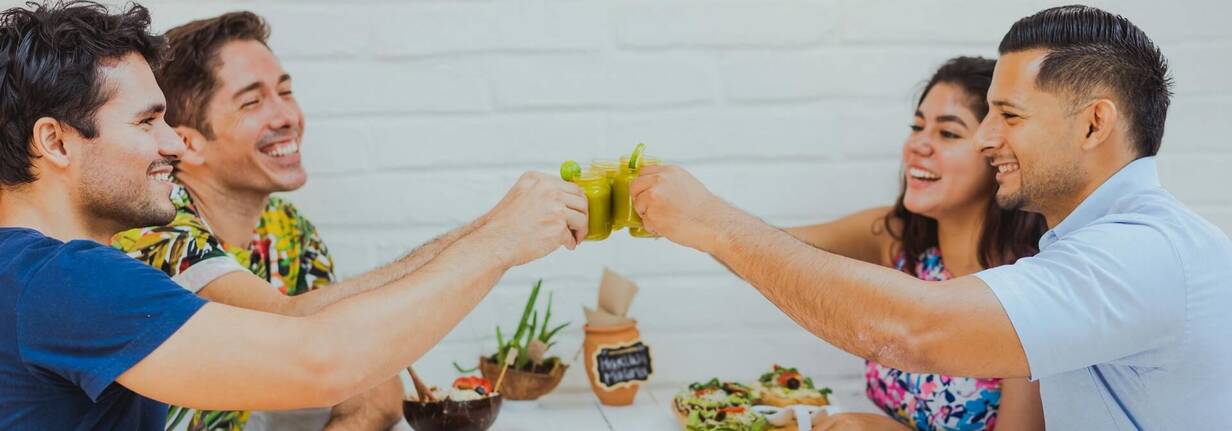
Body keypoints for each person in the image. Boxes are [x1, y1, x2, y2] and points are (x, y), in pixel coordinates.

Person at [632, 5, 1232, 429]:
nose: (987, 138)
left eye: (1009, 116)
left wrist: (710, 219)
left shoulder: (1138, 255)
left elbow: (913, 330)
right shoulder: (1092, 246)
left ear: (1094, 124)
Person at [0, 2, 588, 429]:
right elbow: (321, 359)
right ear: (54, 142)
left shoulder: (42, 272)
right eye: (147, 122)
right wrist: (498, 242)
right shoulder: (66, 280)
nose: (173, 145)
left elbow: (354, 373)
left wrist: (493, 233)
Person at [110, 12, 408, 430]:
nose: (286, 116)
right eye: (252, 101)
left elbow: (375, 387)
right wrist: (480, 246)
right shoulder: (154, 226)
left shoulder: (288, 229)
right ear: (187, 145)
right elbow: (305, 326)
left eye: (285, 92)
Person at [783, 57, 1045, 430]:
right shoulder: (899, 240)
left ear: (999, 155)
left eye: (948, 133)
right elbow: (772, 252)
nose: (917, 145)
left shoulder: (1028, 297)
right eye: (917, 126)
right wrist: (699, 218)